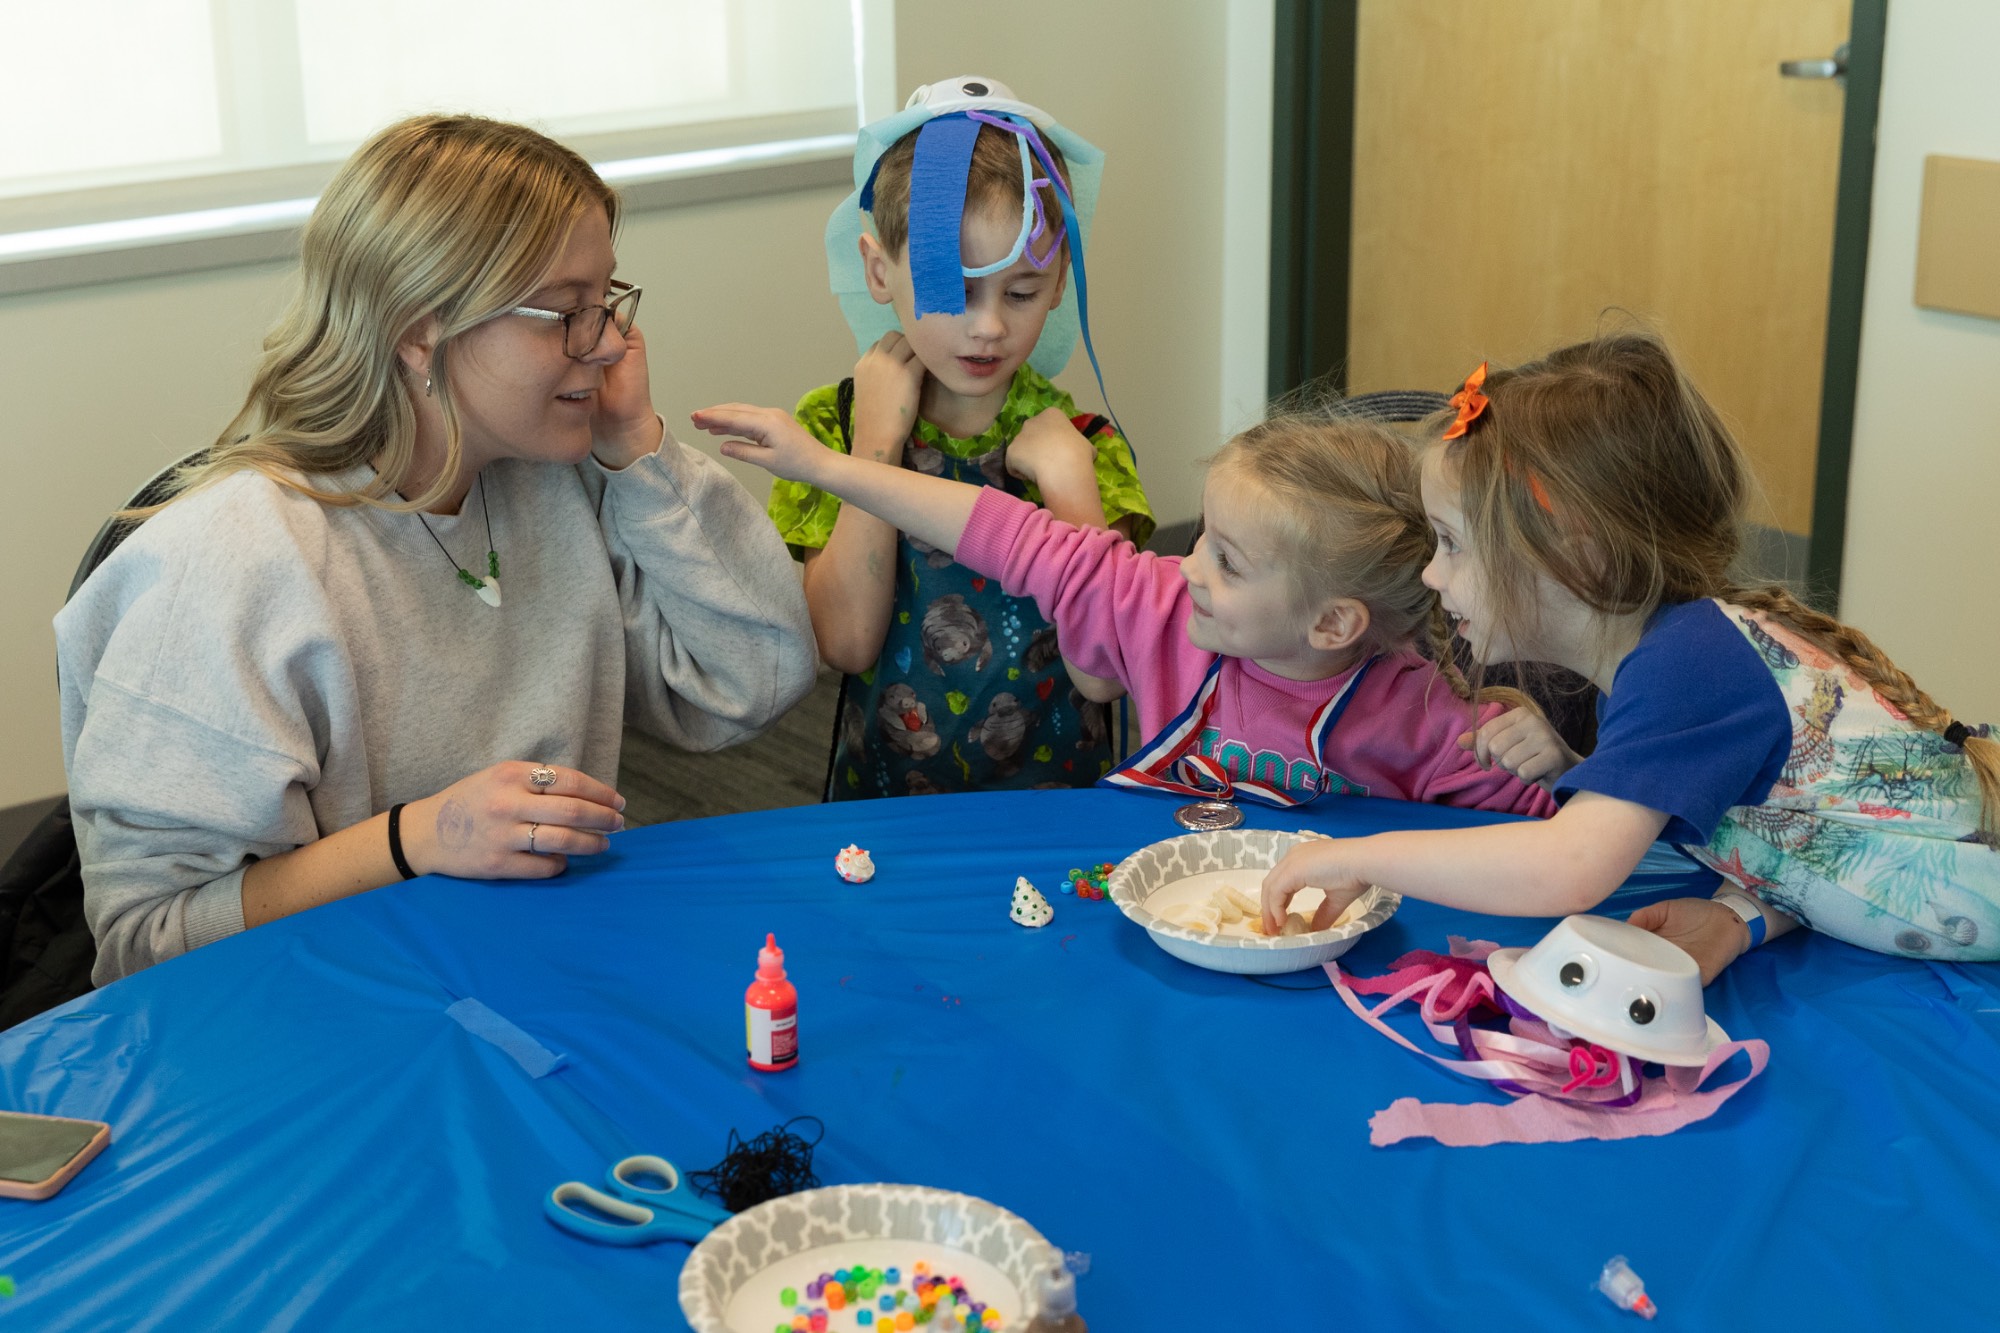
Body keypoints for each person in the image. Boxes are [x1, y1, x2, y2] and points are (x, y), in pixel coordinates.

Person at [56, 115, 818, 983]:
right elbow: (147, 941)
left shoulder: (553, 481)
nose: (608, 343)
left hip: (523, 976)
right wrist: (414, 839)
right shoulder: (232, 565)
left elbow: (756, 677)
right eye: (566, 312)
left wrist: (637, 449)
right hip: (331, 1010)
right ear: (420, 332)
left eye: (607, 302)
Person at [1259, 334, 2000, 978]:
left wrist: (1357, 856)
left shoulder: (1691, 664)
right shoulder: (1670, 660)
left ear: (1577, 555)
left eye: (1451, 543)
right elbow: (1827, 831)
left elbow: (1569, 868)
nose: (1431, 574)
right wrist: (1736, 919)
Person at [696, 400, 1555, 819]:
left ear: (1332, 623)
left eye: (1227, 560)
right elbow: (1004, 533)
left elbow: (1570, 849)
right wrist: (825, 466)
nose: (1187, 566)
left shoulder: (1430, 724)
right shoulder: (1164, 606)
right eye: (1203, 537)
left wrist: (1558, 757)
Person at [765, 76, 1153, 800]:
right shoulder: (834, 430)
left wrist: (1070, 485)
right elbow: (845, 641)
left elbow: (1104, 674)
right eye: (955, 289)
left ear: (1060, 281)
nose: (989, 327)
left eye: (1022, 291)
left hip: (1059, 808)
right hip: (887, 813)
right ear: (879, 270)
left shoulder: (1086, 447)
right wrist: (875, 447)